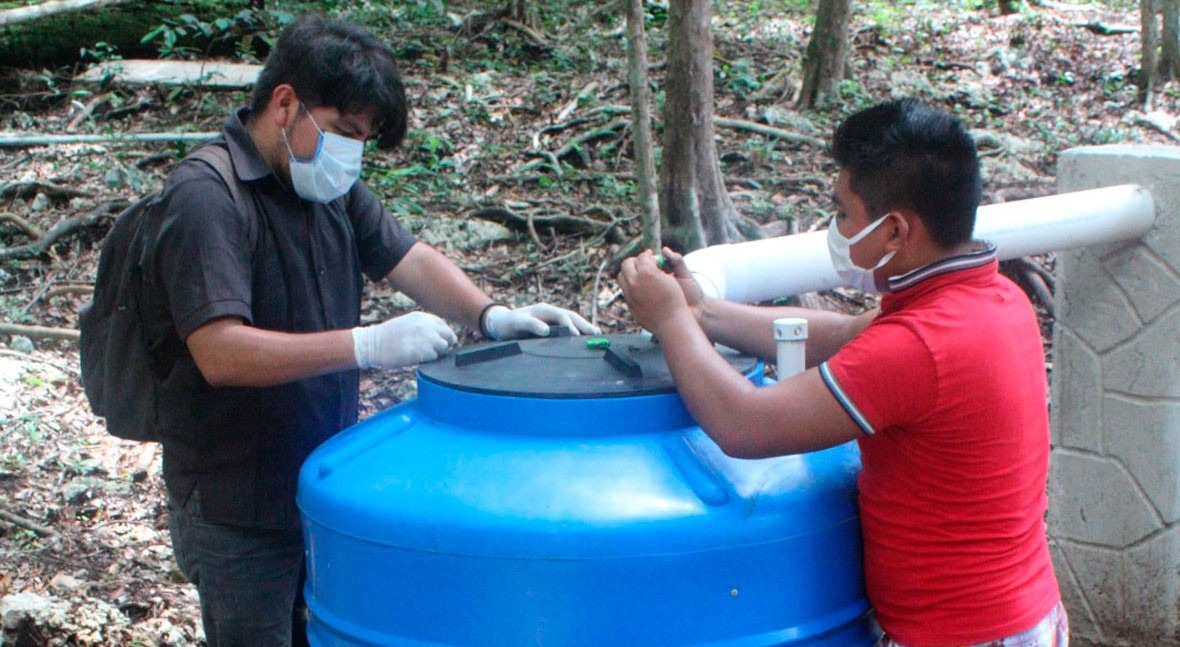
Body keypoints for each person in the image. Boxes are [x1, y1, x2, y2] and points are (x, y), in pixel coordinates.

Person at [138, 13, 598, 647]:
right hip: (236, 505)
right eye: (343, 131)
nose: (350, 152)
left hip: (327, 483)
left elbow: (406, 257)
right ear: (284, 103)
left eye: (363, 139)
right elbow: (220, 352)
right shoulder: (206, 198)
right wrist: (366, 344)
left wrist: (491, 315)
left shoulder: (324, 184)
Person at [618, 99, 1066, 647]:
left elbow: (746, 424)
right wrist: (701, 311)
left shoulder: (920, 347)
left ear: (896, 231)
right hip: (1024, 615)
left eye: (845, 214)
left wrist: (667, 321)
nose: (837, 229)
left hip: (961, 635)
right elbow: (837, 336)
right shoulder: (994, 299)